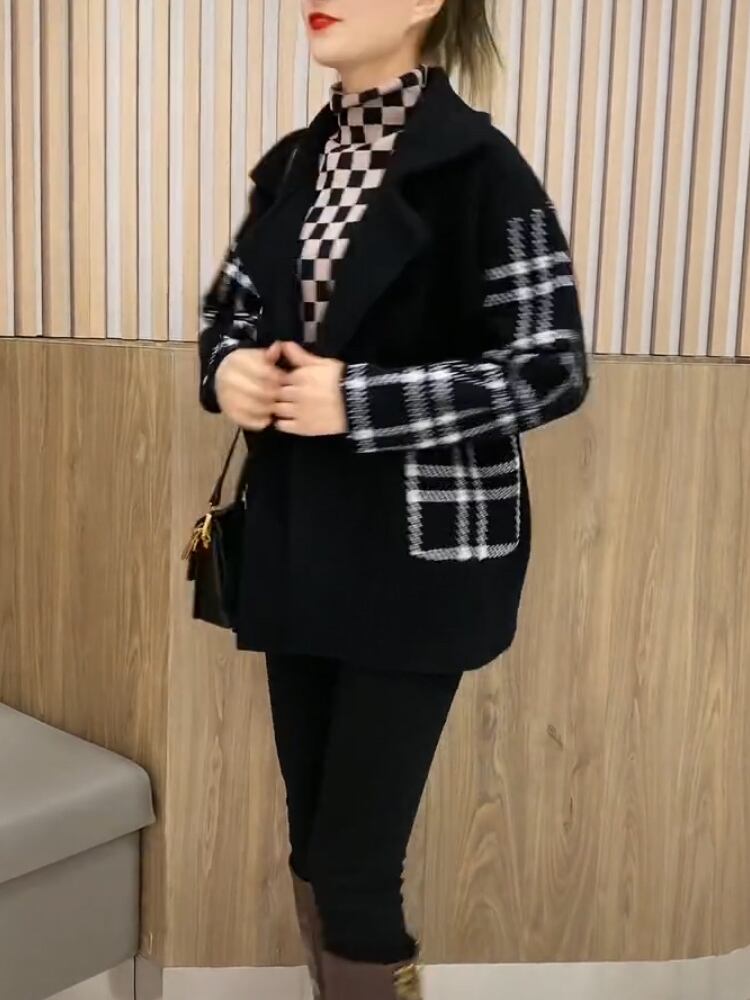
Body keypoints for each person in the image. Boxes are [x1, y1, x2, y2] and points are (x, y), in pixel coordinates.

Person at [197, 1, 589, 997]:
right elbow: (232, 311)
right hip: (298, 536)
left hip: (420, 557)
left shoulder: (482, 171)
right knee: (314, 839)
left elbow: (551, 367)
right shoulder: (296, 164)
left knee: (356, 864)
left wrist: (361, 399)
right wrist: (230, 365)